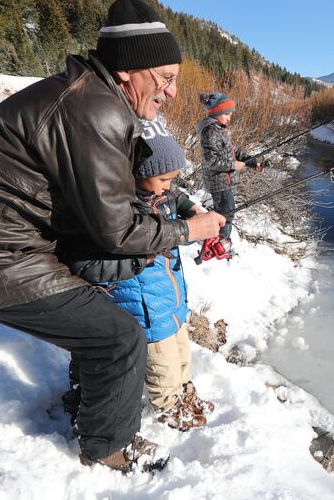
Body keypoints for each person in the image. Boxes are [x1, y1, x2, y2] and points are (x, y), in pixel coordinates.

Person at [0, 0, 225, 473]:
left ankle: (86, 406)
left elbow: (107, 212)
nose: (173, 91)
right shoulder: (95, 111)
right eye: (165, 77)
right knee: (119, 337)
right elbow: (119, 232)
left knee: (97, 316)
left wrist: (168, 212)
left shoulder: (87, 98)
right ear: (128, 71)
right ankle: (107, 447)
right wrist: (189, 228)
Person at [60, 118, 215, 433]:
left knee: (182, 353)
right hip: (142, 310)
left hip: (170, 299)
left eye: (173, 178)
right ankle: (171, 410)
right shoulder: (116, 214)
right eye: (163, 178)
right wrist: (143, 255)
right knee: (162, 367)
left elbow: (175, 195)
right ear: (135, 173)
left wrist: (189, 209)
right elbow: (90, 265)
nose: (168, 186)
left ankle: (185, 393)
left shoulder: (159, 194)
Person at [196, 92, 264, 251]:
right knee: (227, 214)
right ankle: (220, 245)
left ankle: (219, 242)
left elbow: (234, 152)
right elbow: (211, 161)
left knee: (226, 212)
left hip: (222, 180)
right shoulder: (211, 131)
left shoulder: (219, 130)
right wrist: (233, 165)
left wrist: (253, 162)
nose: (229, 117)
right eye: (227, 114)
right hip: (218, 182)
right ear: (217, 112)